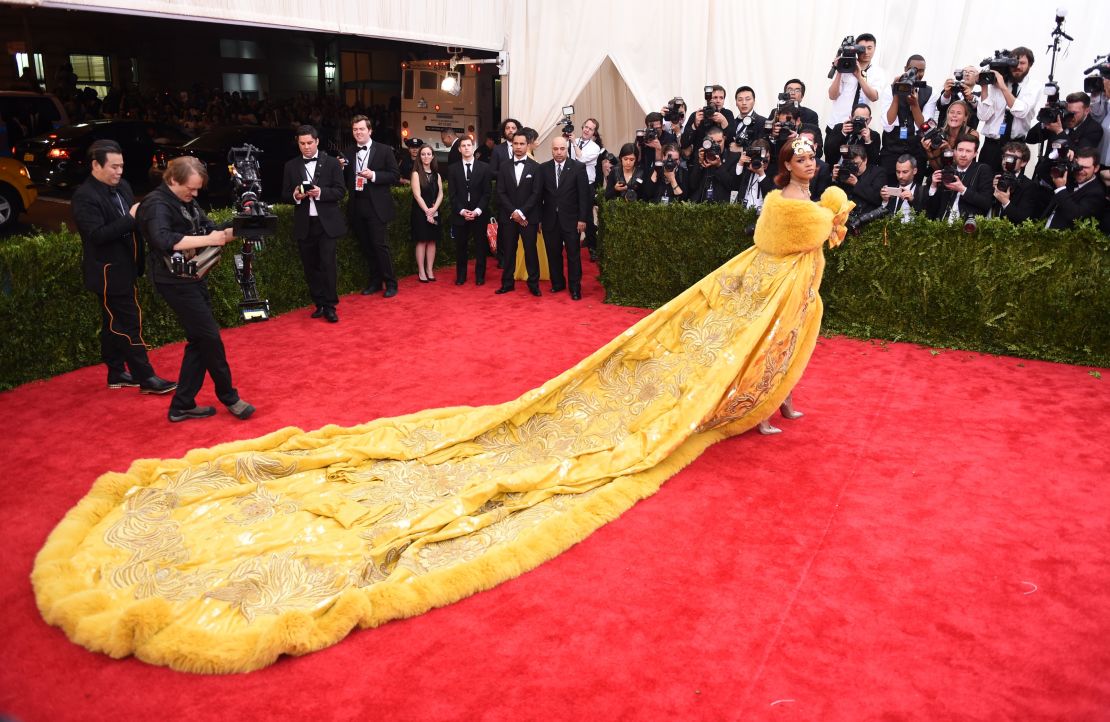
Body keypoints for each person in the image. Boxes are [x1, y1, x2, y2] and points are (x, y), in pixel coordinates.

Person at [34, 137, 854, 675]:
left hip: (784, 296)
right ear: (788, 162)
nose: (811, 162)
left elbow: (821, 237)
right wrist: (834, 212)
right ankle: (185, 395)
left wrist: (836, 215)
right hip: (769, 279)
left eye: (816, 155)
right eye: (804, 154)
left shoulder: (807, 201)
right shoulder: (789, 206)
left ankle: (767, 402)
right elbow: (803, 231)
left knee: (776, 352)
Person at [137, 157, 254, 423]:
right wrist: (210, 238)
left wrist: (242, 228)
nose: (195, 193)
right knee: (210, 338)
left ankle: (182, 404)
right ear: (173, 180)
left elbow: (211, 229)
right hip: (173, 282)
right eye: (191, 188)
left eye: (198, 189)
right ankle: (229, 397)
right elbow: (162, 239)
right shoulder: (155, 204)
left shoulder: (186, 201)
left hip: (192, 278)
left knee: (199, 342)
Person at [72, 140, 176, 395]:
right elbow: (96, 235)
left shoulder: (123, 186)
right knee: (129, 322)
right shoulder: (84, 197)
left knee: (112, 323)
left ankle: (116, 371)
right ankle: (146, 377)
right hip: (108, 273)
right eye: (114, 167)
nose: (119, 172)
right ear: (96, 165)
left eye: (121, 166)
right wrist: (130, 218)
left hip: (128, 267)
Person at [282, 124, 347, 323]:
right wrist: (295, 195)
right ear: (298, 144)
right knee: (310, 267)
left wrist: (321, 193)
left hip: (326, 223)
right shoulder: (291, 166)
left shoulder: (332, 164)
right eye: (302, 143)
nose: (306, 147)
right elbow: (284, 195)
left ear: (317, 141)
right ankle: (318, 303)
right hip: (305, 223)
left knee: (328, 265)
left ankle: (330, 306)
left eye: (310, 142)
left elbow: (340, 192)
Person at [345, 114, 400, 298]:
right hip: (357, 204)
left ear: (370, 130)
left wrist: (374, 175)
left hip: (377, 206)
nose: (358, 132)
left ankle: (391, 283)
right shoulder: (348, 152)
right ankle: (375, 282)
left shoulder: (384, 150)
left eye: (361, 129)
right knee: (366, 247)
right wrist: (337, 168)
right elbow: (344, 180)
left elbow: (394, 175)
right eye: (355, 130)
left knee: (380, 245)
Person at [538, 136, 591, 299]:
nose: (559, 152)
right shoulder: (543, 168)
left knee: (574, 255)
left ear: (567, 148)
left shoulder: (578, 167)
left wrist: (582, 219)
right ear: (551, 149)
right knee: (553, 253)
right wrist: (540, 219)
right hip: (549, 220)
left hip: (572, 220)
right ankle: (557, 283)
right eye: (555, 149)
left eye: (562, 148)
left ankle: (575, 287)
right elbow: (539, 196)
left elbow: (584, 196)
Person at [825, 33, 886, 166]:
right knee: (832, 163)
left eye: (870, 48)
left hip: (861, 127)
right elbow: (832, 95)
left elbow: (874, 96)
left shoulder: (878, 72)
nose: (866, 52)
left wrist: (859, 76)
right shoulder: (844, 66)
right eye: (862, 48)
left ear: (875, 48)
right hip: (838, 124)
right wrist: (840, 69)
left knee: (858, 165)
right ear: (856, 48)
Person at [976, 47, 1039, 173]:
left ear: (1030, 65)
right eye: (1014, 63)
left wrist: (1003, 88)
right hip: (991, 145)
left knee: (1009, 186)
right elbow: (983, 116)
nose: (1017, 67)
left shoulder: (1034, 86)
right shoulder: (994, 84)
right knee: (984, 183)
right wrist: (984, 87)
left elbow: (1021, 111)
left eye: (1022, 63)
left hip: (1016, 147)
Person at [495, 131, 543, 296]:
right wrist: (513, 212)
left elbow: (536, 194)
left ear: (527, 145)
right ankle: (507, 283)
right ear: (512, 145)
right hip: (508, 218)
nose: (518, 147)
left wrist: (521, 213)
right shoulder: (504, 166)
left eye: (522, 144)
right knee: (508, 251)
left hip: (528, 218)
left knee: (531, 251)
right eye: (515, 144)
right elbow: (500, 192)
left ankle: (534, 284)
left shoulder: (536, 167)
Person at [878, 55, 935, 184]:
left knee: (912, 193)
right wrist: (897, 93)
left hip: (916, 151)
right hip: (891, 149)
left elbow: (923, 126)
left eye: (921, 70)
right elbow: (888, 122)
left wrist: (915, 104)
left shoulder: (930, 92)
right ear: (905, 69)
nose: (917, 74)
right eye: (912, 69)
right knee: (888, 188)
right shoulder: (890, 89)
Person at [447, 137, 492, 285]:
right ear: (459, 149)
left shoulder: (485, 168)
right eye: (463, 146)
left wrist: (477, 211)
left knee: (480, 247)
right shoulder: (453, 169)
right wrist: (461, 211)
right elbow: (452, 195)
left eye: (469, 145)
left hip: (479, 214)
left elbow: (487, 193)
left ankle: (480, 276)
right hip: (460, 215)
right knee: (461, 247)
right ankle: (461, 276)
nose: (466, 148)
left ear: (473, 147)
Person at [924, 134, 993, 222]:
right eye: (960, 150)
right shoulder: (947, 170)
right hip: (941, 225)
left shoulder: (982, 170)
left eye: (968, 151)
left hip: (967, 226)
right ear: (954, 151)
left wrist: (963, 190)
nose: (963, 155)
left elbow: (986, 203)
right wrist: (933, 186)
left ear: (975, 153)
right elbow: (931, 209)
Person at [1041, 147, 1106, 230]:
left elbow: (1076, 216)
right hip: (1043, 227)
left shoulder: (1097, 192)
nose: (1080, 170)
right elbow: (1041, 171)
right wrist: (1058, 155)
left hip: (1064, 239)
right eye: (1078, 166)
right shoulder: (1070, 176)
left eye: (1086, 167)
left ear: (1096, 168)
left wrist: (1061, 189)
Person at [410, 145, 444, 282]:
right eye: (423, 154)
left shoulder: (437, 175)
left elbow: (441, 193)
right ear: (420, 157)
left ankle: (430, 269)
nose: (426, 156)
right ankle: (421, 271)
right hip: (420, 212)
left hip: (434, 210)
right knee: (422, 241)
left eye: (428, 154)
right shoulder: (416, 174)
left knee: (432, 241)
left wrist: (434, 209)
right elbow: (417, 195)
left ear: (433, 156)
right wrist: (427, 212)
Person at [922, 100, 980, 172]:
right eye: (951, 112)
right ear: (947, 115)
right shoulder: (939, 134)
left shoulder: (971, 134)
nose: (954, 115)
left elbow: (962, 164)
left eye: (959, 113)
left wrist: (948, 149)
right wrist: (929, 152)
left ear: (965, 118)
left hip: (966, 174)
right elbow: (937, 168)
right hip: (944, 174)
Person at [991, 141, 1038, 222]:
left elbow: (1024, 219)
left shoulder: (1029, 186)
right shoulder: (995, 177)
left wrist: (1005, 202)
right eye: (1005, 157)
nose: (1007, 161)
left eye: (1013, 158)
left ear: (1023, 162)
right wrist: (992, 190)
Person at [831, 144, 884, 214]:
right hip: (843, 213)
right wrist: (834, 179)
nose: (853, 167)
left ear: (865, 160)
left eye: (856, 164)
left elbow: (877, 198)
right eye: (851, 164)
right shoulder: (845, 170)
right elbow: (833, 194)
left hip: (865, 216)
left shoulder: (878, 173)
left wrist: (856, 184)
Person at [880, 154, 927, 222]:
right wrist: (885, 201)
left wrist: (913, 201)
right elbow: (883, 217)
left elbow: (926, 217)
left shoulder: (922, 191)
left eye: (905, 172)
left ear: (914, 171)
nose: (900, 176)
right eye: (898, 172)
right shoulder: (891, 189)